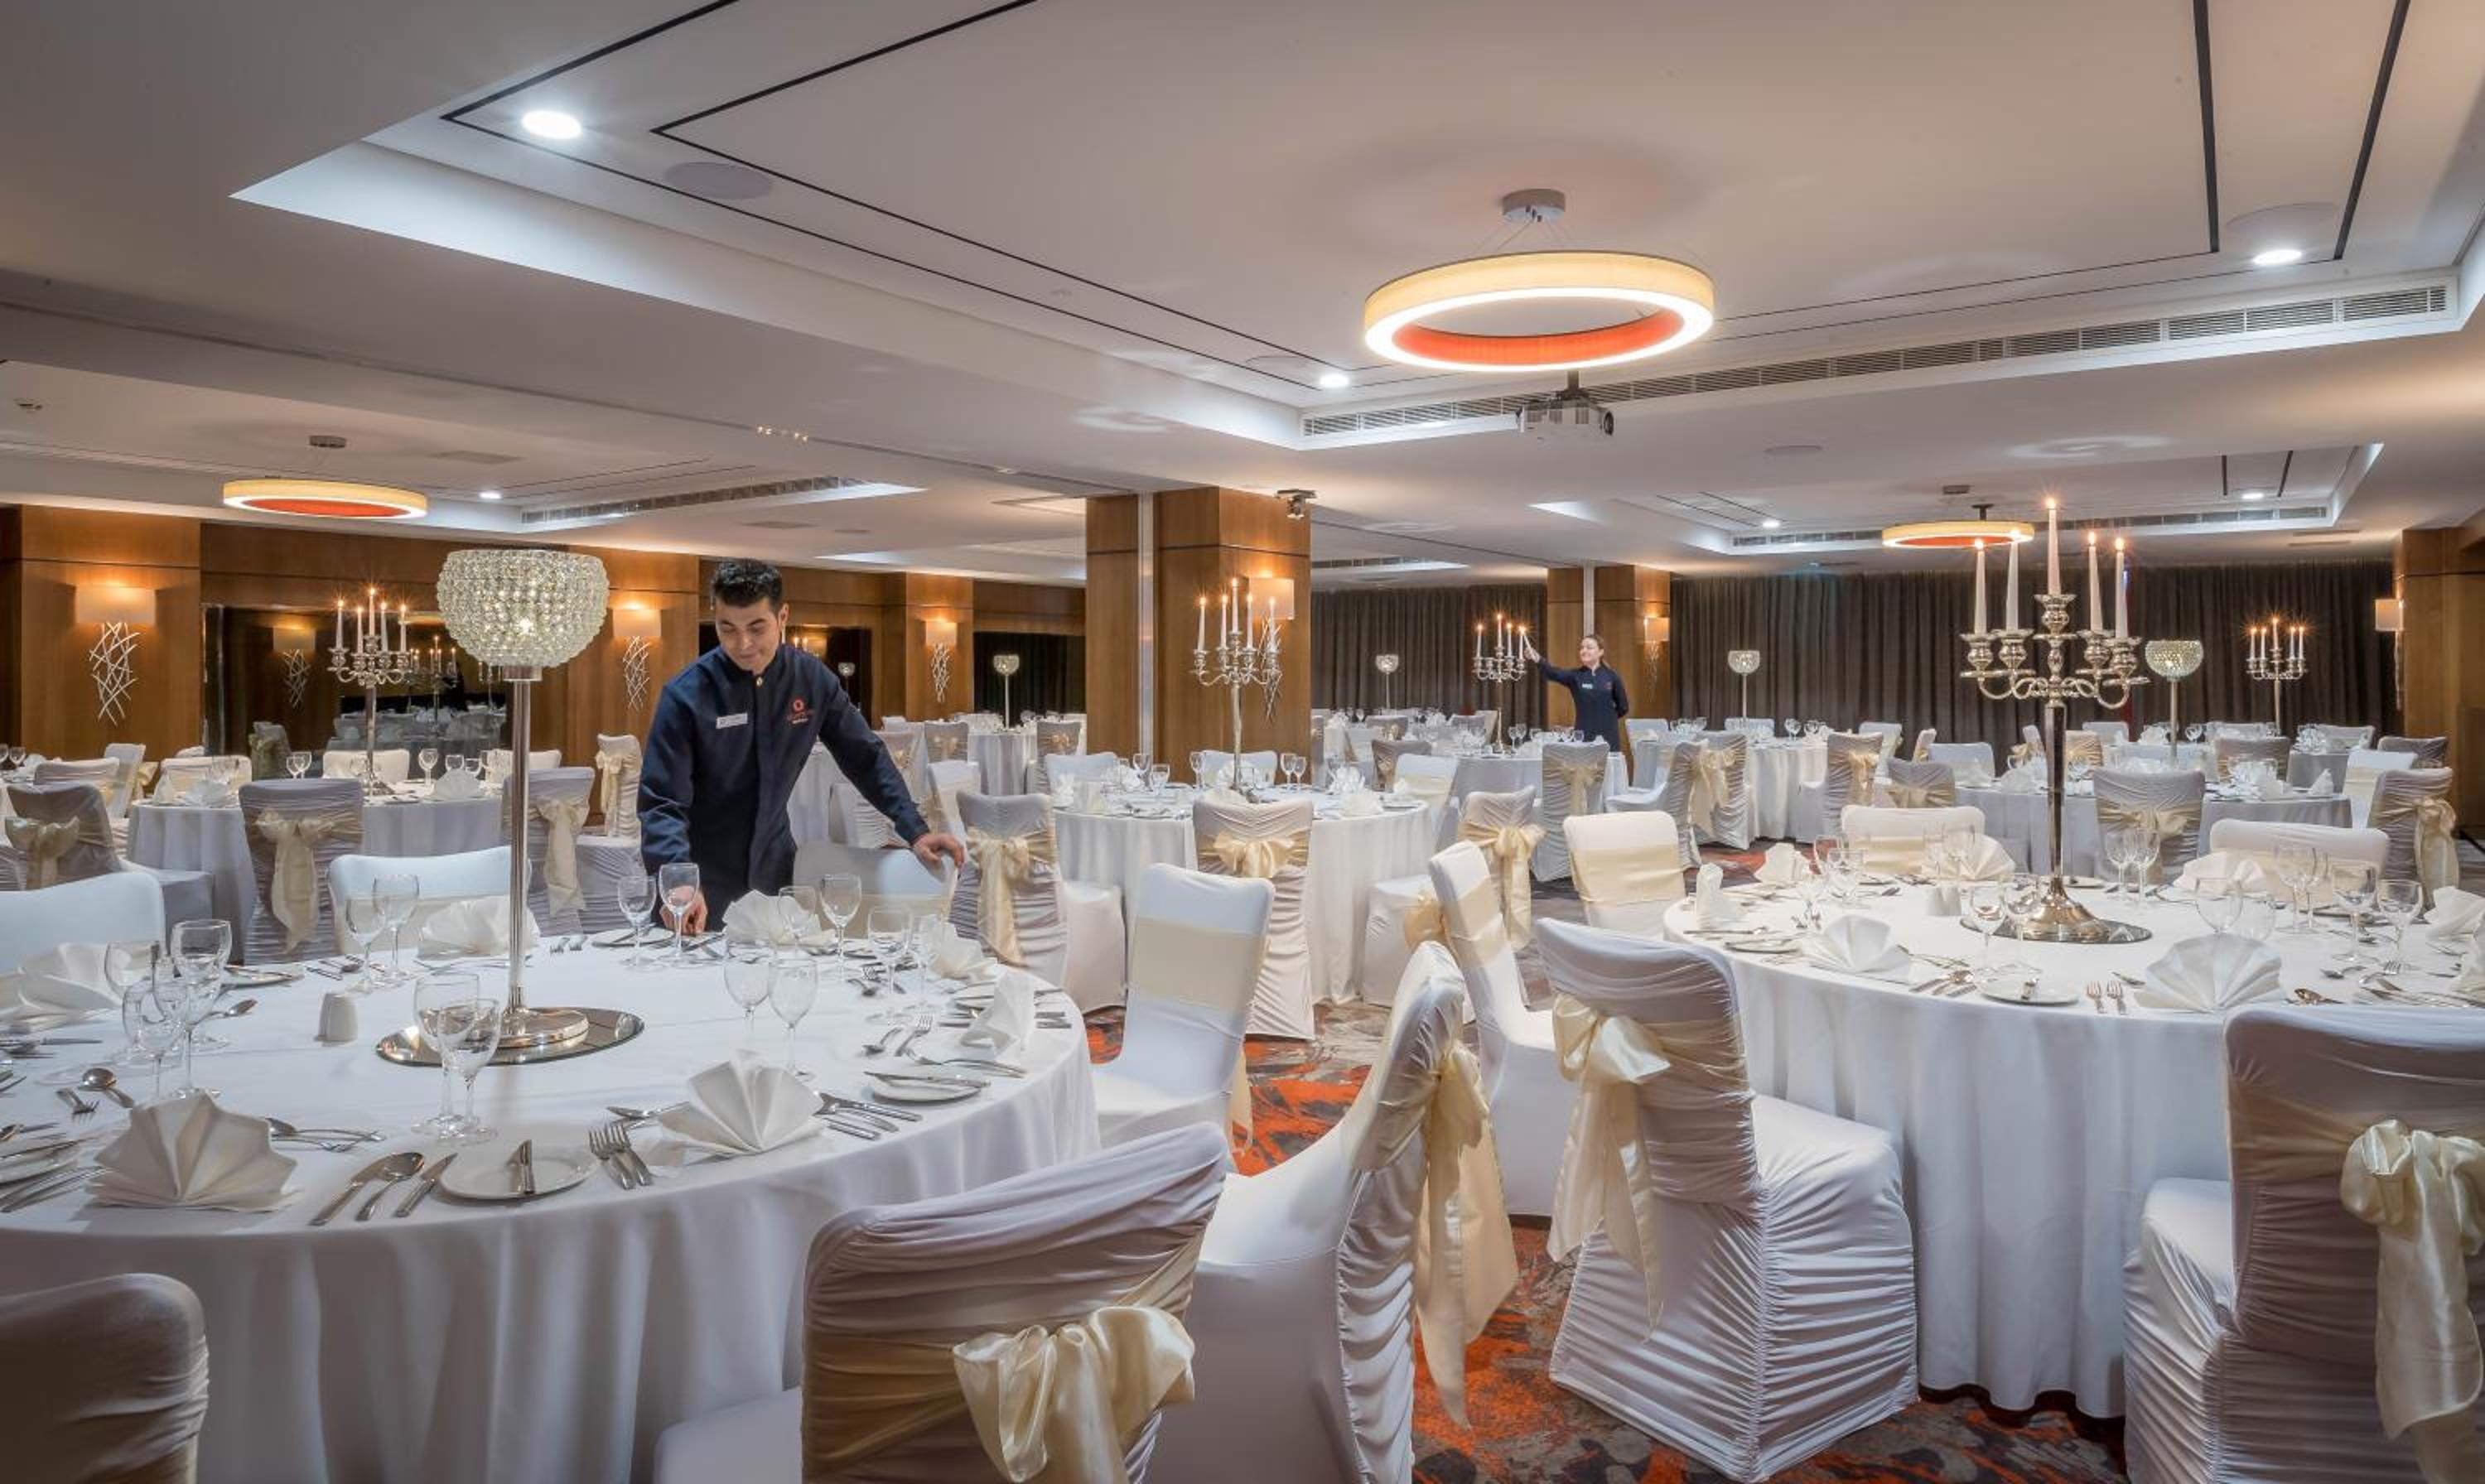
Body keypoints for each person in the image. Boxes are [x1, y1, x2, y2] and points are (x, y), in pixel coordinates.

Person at [639, 560, 965, 931]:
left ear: (782, 616)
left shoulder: (810, 679)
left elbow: (865, 756)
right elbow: (662, 801)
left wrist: (916, 830)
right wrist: (678, 878)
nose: (742, 644)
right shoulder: (686, 695)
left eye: (756, 627)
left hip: (776, 880)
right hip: (698, 889)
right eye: (727, 628)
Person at [1523, 631, 1629, 755]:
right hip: (1583, 736)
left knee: (1609, 767)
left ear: (1601, 652)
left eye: (1589, 647)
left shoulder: (1612, 676)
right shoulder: (1576, 676)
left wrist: (1606, 717)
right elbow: (1553, 673)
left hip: (1609, 737)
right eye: (1582, 648)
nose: (1584, 650)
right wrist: (1538, 659)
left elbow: (1623, 707)